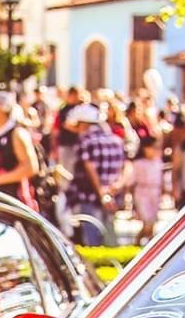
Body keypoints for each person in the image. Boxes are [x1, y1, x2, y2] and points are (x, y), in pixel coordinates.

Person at [63, 102, 124, 243]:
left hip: (88, 196)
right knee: (109, 237)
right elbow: (124, 166)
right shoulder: (116, 140)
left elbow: (90, 169)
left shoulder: (85, 141)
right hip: (111, 195)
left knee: (91, 239)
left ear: (83, 124)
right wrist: (115, 187)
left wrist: (101, 192)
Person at [127, 96, 165, 243]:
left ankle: (148, 244)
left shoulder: (157, 162)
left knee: (152, 222)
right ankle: (139, 242)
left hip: (154, 191)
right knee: (147, 221)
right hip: (142, 191)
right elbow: (132, 180)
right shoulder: (139, 163)